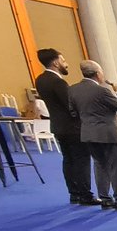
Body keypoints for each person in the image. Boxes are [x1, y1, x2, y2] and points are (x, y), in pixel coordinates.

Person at [66, 60, 117, 210]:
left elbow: (73, 112)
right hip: (108, 134)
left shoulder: (72, 90)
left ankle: (105, 199)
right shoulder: (103, 91)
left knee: (100, 165)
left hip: (88, 133)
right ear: (97, 74)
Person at [34, 48, 98, 205]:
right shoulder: (58, 82)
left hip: (57, 126)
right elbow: (70, 105)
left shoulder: (40, 80)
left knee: (68, 160)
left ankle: (74, 193)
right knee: (81, 160)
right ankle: (85, 194)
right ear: (56, 62)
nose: (66, 64)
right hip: (72, 128)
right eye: (63, 60)